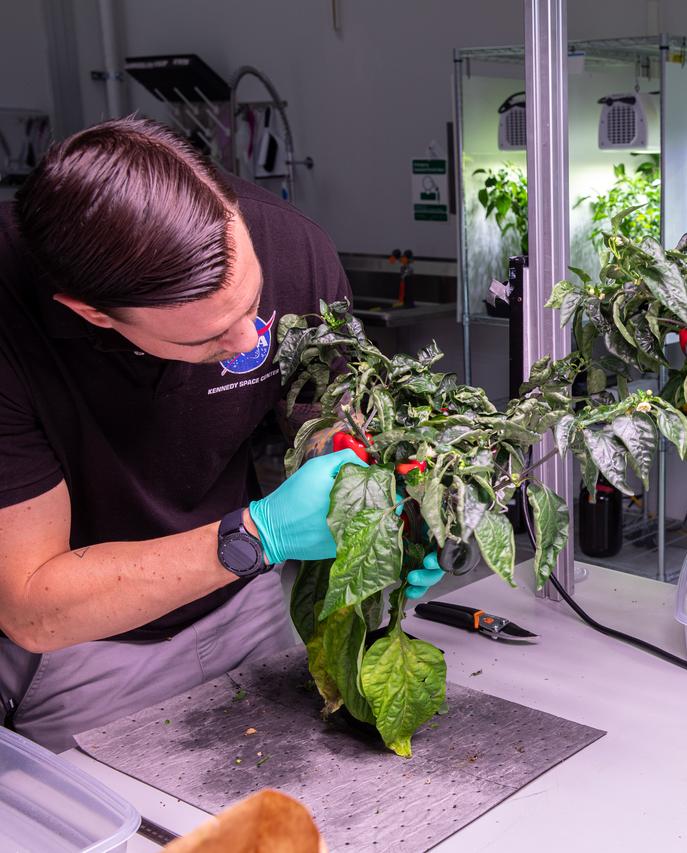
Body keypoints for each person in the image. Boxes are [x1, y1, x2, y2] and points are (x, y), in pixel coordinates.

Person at [0, 117, 443, 751]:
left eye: (252, 305)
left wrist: (377, 515)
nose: (250, 341)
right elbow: (31, 605)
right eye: (207, 337)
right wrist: (260, 535)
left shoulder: (291, 246)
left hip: (248, 604)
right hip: (87, 647)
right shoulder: (9, 319)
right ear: (92, 313)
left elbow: (331, 422)